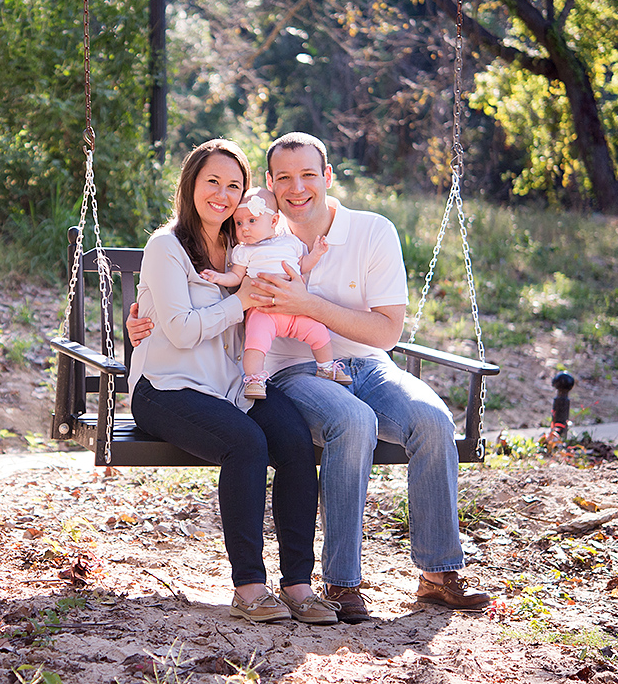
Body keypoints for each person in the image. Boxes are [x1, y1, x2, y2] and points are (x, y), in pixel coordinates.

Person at [128, 132, 492, 623]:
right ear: (272, 190)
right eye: (282, 179)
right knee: (332, 426)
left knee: (425, 421)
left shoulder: (316, 234)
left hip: (318, 373)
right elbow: (192, 313)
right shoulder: (224, 238)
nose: (295, 188)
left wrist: (301, 304)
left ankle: (431, 573)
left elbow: (385, 332)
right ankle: (327, 585)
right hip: (249, 377)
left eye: (234, 186)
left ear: (327, 177)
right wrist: (147, 319)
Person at [129, 138, 337, 625]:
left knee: (291, 438)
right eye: (212, 183)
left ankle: (299, 586)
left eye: (234, 185)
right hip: (166, 388)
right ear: (190, 185)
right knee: (245, 443)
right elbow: (179, 331)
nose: (223, 195)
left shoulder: (245, 246)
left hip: (227, 388)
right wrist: (241, 299)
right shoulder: (167, 247)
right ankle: (249, 588)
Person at [199, 187, 351, 399]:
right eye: (239, 223)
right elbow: (235, 276)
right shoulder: (243, 251)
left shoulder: (290, 243)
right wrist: (218, 277)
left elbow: (303, 265)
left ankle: (325, 367)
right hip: (263, 311)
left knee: (319, 332)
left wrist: (316, 253)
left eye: (252, 221)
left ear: (273, 221)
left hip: (296, 310)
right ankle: (254, 380)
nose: (244, 229)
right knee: (255, 345)